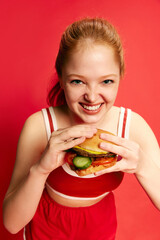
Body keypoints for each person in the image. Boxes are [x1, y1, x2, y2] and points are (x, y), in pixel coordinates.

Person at [3, 17, 160, 240]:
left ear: (120, 77)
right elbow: (11, 223)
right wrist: (40, 170)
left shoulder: (132, 126)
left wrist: (143, 165)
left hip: (100, 225)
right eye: (78, 81)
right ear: (61, 77)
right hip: (47, 228)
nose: (92, 96)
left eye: (106, 81)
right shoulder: (40, 126)